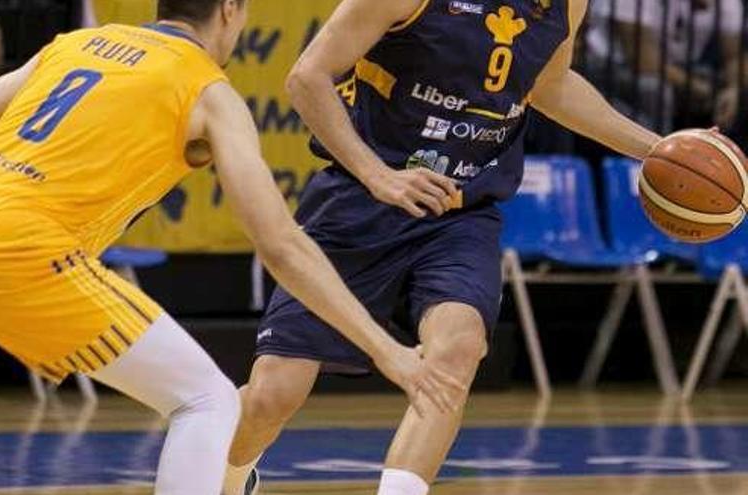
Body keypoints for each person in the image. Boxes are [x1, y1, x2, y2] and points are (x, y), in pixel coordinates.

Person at [0, 0, 458, 494]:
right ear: (230, 10)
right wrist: (385, 349)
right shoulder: (209, 91)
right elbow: (280, 244)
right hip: (20, 245)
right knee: (207, 403)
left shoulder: (76, 45)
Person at [223, 0, 664, 494]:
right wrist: (378, 176)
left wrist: (658, 149)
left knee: (458, 349)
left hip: (461, 212)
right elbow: (307, 77)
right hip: (357, 200)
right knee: (273, 395)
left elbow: (550, 84)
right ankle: (231, 477)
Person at [584, 0, 745, 132]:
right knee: (657, 90)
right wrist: (700, 88)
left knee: (738, 93)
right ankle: (659, 161)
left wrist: (733, 89)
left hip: (679, 68)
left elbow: (734, 56)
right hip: (610, 68)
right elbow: (642, 59)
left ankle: (730, 164)